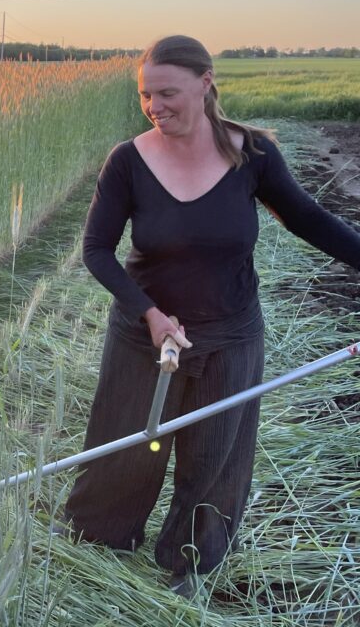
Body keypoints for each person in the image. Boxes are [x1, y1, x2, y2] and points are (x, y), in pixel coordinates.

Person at [61, 34, 360, 597]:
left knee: (215, 453)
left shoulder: (254, 155)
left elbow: (310, 220)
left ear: (205, 83)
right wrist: (148, 313)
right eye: (146, 95)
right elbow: (96, 249)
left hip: (231, 332)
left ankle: (191, 563)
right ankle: (98, 536)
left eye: (168, 92)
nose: (155, 107)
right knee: (125, 442)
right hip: (143, 333)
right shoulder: (127, 160)